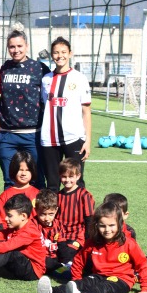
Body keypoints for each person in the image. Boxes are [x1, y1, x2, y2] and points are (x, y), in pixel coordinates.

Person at [38, 202, 147, 293]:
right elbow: (79, 260)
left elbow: (142, 264)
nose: (107, 230)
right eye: (103, 226)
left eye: (111, 225)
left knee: (102, 289)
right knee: (84, 283)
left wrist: (145, 288)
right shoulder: (92, 242)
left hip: (121, 280)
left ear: (119, 224)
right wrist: (76, 280)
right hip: (98, 276)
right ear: (97, 225)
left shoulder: (129, 243)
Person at [0, 30, 51, 189]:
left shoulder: (39, 68)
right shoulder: (5, 67)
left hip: (32, 135)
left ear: (27, 46)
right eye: (12, 47)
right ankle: (10, 213)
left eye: (19, 46)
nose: (16, 50)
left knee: (37, 180)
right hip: (7, 135)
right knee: (9, 180)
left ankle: (38, 213)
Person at [39, 36, 92, 190]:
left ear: (70, 53)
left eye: (63, 52)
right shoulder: (46, 79)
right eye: (56, 52)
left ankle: (80, 214)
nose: (59, 55)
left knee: (76, 182)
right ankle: (53, 214)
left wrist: (87, 141)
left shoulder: (80, 78)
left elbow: (86, 111)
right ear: (51, 55)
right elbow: (45, 105)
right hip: (49, 139)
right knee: (53, 183)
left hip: (73, 138)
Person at [56, 158, 95, 266]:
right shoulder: (58, 195)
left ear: (78, 176)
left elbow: (89, 220)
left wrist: (88, 241)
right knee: (55, 255)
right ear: (60, 176)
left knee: (68, 256)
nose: (67, 180)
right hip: (61, 236)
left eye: (71, 176)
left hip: (77, 236)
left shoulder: (84, 195)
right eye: (64, 176)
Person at [103, 192, 147, 271]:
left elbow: (134, 254)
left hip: (120, 264)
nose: (114, 217)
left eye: (118, 213)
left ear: (125, 215)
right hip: (101, 263)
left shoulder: (129, 232)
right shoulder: (99, 229)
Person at [0, 150, 39, 224]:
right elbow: (2, 222)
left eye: (27, 170)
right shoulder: (5, 196)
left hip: (33, 234)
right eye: (20, 170)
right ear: (14, 170)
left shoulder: (38, 194)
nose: (23, 173)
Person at [33, 188, 66, 275]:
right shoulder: (33, 224)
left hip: (54, 258)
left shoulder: (58, 225)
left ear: (56, 210)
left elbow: (62, 245)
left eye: (51, 214)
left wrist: (64, 261)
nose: (47, 219)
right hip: (38, 258)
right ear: (36, 210)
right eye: (43, 214)